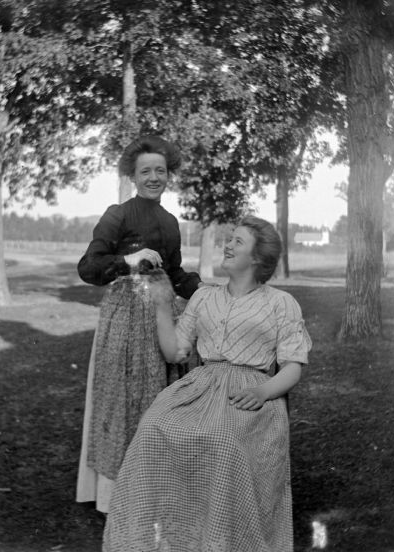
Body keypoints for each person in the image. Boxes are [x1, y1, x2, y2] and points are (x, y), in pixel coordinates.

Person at [102, 216, 312, 552]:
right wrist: (161, 304)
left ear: (257, 258)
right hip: (200, 387)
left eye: (238, 242)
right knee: (153, 426)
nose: (227, 245)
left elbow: (292, 367)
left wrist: (263, 391)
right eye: (228, 239)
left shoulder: (281, 303)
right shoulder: (203, 298)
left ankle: (222, 541)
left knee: (224, 440)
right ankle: (161, 539)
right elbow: (175, 352)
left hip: (253, 391)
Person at [76, 135, 202, 515]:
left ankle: (155, 489)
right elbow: (89, 267)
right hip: (125, 316)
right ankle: (116, 496)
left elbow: (177, 273)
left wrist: (208, 294)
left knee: (158, 399)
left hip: (163, 315)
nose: (153, 177)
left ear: (169, 176)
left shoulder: (169, 221)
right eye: (145, 171)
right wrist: (130, 260)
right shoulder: (119, 214)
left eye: (160, 171)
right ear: (133, 175)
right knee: (123, 399)